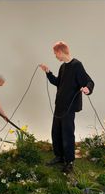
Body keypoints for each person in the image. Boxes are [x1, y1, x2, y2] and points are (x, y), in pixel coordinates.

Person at [40, 41, 95, 173]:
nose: (55, 56)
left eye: (55, 54)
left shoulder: (77, 65)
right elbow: (58, 82)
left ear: (60, 52)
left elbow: (89, 81)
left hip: (69, 107)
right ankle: (59, 156)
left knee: (67, 134)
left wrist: (88, 88)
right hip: (59, 106)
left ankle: (69, 162)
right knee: (56, 132)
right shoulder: (63, 67)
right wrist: (48, 72)